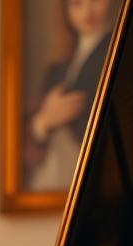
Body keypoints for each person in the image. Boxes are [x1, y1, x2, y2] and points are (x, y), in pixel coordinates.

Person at [24, 0, 119, 192]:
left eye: (95, 1)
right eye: (77, 3)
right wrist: (43, 121)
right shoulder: (57, 70)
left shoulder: (114, 52)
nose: (87, 11)